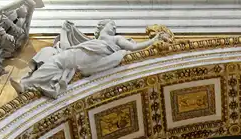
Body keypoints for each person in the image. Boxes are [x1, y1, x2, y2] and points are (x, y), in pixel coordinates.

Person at [15, 20, 170, 98]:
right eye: (111, 24)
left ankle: (28, 84)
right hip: (77, 54)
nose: (113, 27)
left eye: (114, 26)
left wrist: (153, 39)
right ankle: (26, 84)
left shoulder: (116, 39)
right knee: (54, 62)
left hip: (90, 58)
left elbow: (134, 48)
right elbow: (66, 46)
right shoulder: (89, 41)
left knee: (57, 62)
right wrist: (64, 30)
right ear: (102, 26)